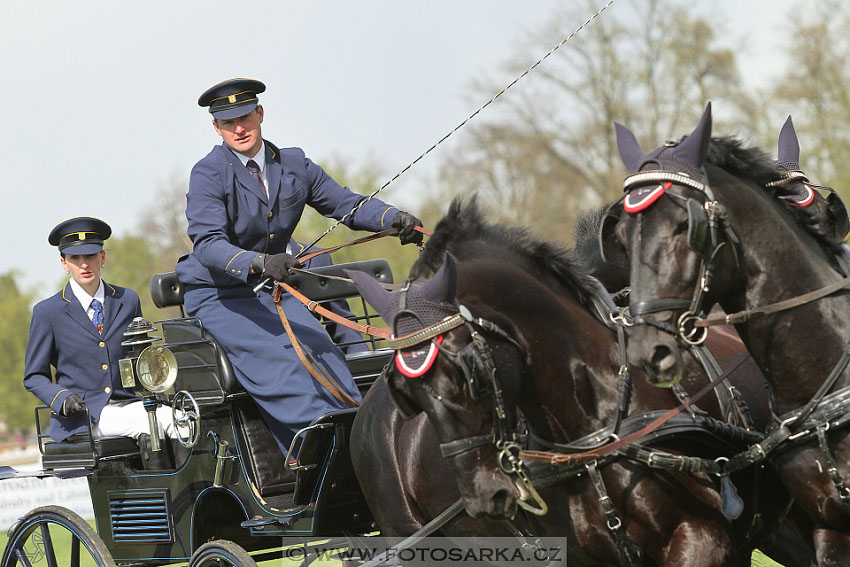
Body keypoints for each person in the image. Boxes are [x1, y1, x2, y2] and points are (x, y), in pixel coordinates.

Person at [176, 78, 423, 455]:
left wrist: (394, 218)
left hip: (273, 287)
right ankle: (316, 460)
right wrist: (258, 261)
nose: (239, 128)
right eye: (228, 123)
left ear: (260, 113)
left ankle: (362, 449)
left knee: (324, 354)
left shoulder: (293, 164)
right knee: (287, 369)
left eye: (245, 116)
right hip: (221, 294)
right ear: (216, 128)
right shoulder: (209, 173)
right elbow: (208, 244)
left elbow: (347, 205)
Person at [24, 217, 179, 443]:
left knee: (181, 418)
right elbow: (34, 376)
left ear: (102, 257)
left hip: (129, 403)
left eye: (90, 256)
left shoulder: (128, 300)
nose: (84, 264)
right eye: (75, 258)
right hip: (83, 415)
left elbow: (141, 356)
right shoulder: (48, 312)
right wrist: (61, 399)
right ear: (64, 263)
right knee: (151, 422)